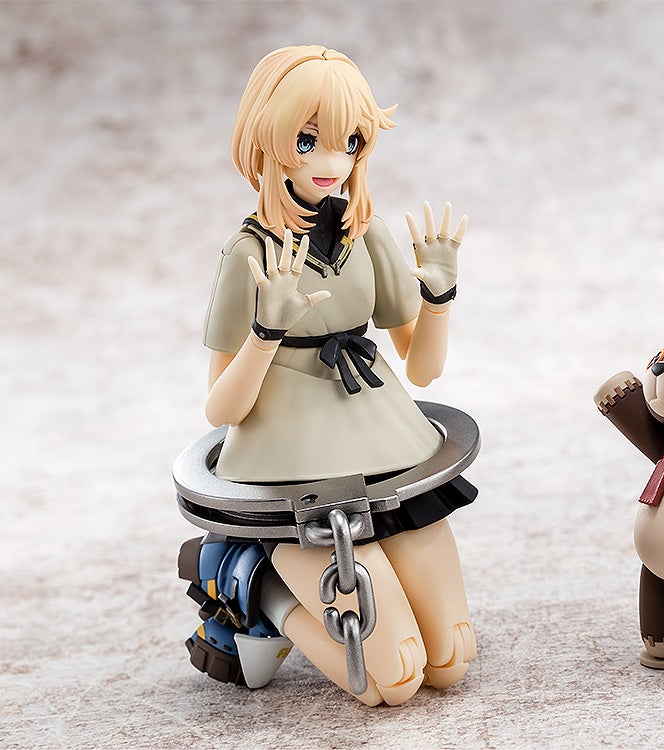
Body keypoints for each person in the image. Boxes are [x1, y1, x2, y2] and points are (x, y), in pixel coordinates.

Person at [197, 45, 476, 706]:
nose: (331, 161)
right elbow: (220, 409)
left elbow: (423, 370)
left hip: (384, 441)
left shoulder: (363, 233)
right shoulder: (249, 252)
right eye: (307, 140)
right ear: (267, 139)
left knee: (449, 660)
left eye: (349, 142)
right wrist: (266, 335)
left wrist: (438, 299)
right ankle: (264, 588)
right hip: (294, 474)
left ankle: (280, 585)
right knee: (392, 679)